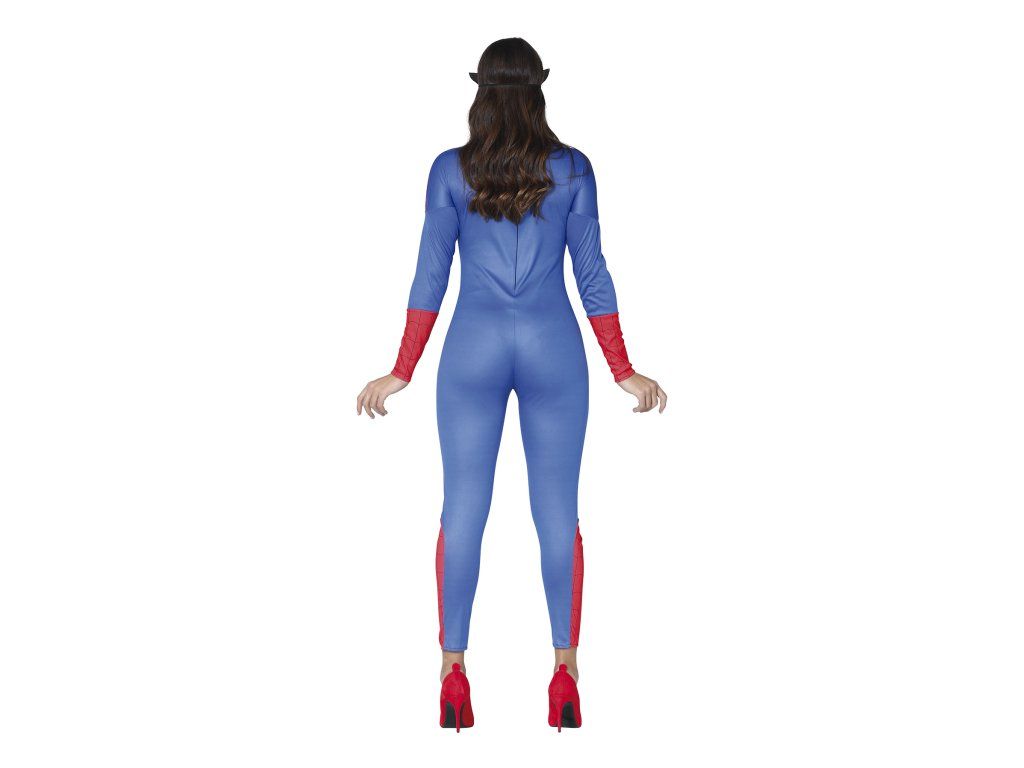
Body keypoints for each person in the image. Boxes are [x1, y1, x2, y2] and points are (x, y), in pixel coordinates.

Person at [356, 37, 666, 731]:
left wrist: (402, 369)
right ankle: (565, 674)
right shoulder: (574, 169)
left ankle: (453, 674)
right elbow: (592, 274)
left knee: (462, 509)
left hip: (473, 348)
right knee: (558, 513)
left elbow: (430, 275)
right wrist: (623, 369)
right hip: (554, 348)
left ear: (480, 92)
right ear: (539, 89)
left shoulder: (450, 171)